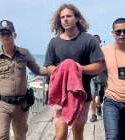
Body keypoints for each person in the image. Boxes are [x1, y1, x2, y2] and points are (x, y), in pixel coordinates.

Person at [44, 4, 104, 140]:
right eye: (62, 17)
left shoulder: (89, 40)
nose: (65, 19)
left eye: (69, 16)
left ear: (76, 18)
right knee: (60, 135)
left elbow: (99, 66)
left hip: (82, 95)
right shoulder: (54, 42)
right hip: (59, 95)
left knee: (78, 133)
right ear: (59, 20)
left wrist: (76, 68)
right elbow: (48, 67)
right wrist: (63, 70)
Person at [0, 20, 46, 140]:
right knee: (1, 136)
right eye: (2, 33)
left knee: (20, 137)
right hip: (2, 105)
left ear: (15, 35)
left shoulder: (24, 53)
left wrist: (53, 69)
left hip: (21, 105)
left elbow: (38, 70)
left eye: (8, 32)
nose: (5, 36)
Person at [102, 18, 125, 140]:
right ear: (113, 33)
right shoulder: (104, 51)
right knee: (112, 137)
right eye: (118, 31)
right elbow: (93, 68)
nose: (122, 34)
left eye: (124, 31)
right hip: (112, 101)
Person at [90, 35, 107, 122]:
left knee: (101, 96)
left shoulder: (104, 51)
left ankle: (98, 105)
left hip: (101, 77)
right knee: (92, 95)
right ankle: (94, 114)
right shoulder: (88, 51)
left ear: (100, 42)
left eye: (97, 41)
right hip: (92, 78)